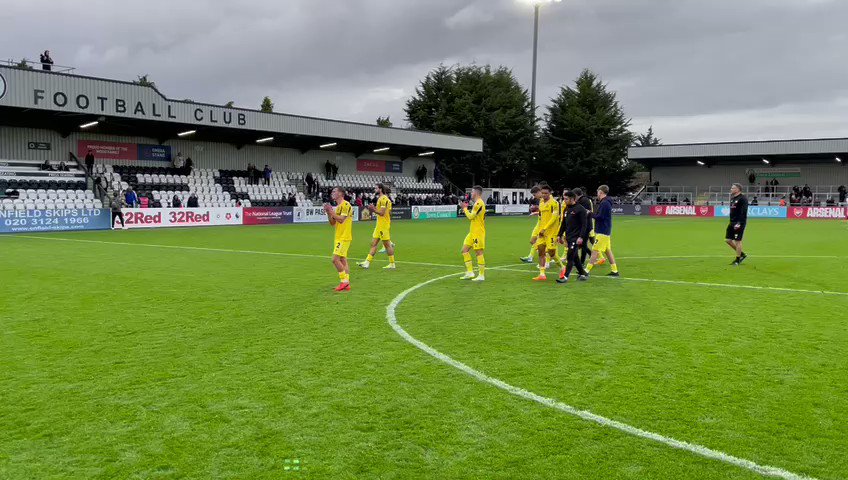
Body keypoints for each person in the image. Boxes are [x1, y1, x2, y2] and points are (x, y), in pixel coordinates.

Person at [358, 184, 397, 270]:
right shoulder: (383, 199)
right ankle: (367, 262)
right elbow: (388, 212)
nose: (374, 189)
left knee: (387, 245)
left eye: (376, 188)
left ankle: (392, 263)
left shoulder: (383, 199)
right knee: (373, 244)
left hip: (383, 226)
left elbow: (382, 213)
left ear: (380, 189)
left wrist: (373, 209)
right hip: (380, 225)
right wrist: (376, 209)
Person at [585, 185, 620, 277]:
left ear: (600, 192)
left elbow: (600, 217)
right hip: (605, 230)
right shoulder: (606, 202)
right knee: (608, 251)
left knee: (595, 250)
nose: (597, 193)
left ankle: (586, 270)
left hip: (602, 231)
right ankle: (615, 270)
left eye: (597, 191)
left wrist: (590, 214)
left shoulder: (604, 203)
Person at [556, 191, 590, 283]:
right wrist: (559, 235)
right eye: (564, 198)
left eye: (566, 199)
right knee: (575, 257)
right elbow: (563, 223)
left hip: (576, 238)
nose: (564, 200)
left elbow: (584, 225)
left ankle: (565, 277)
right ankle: (583, 274)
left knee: (570, 256)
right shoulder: (566, 209)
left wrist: (581, 237)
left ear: (572, 199)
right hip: (568, 237)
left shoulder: (580, 209)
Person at [324, 187, 354, 292]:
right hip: (338, 236)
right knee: (342, 260)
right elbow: (333, 223)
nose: (332, 193)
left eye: (334, 191)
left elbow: (341, 220)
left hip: (344, 237)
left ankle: (344, 282)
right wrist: (329, 213)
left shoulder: (346, 205)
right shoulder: (337, 207)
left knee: (335, 259)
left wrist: (331, 211)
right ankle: (347, 283)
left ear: (341, 193)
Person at [532, 184, 564, 281]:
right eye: (542, 193)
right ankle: (542, 274)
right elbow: (541, 218)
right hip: (542, 232)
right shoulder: (541, 202)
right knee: (541, 252)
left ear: (550, 193)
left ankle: (562, 268)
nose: (544, 195)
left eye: (546, 193)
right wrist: (538, 231)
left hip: (551, 232)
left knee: (551, 252)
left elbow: (554, 218)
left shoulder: (555, 203)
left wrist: (544, 228)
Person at [460, 185, 487, 281]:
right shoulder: (477, 203)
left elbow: (471, 217)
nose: (471, 194)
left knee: (478, 252)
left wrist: (464, 209)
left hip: (478, 232)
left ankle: (481, 275)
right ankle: (470, 272)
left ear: (476, 193)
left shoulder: (479, 203)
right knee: (464, 250)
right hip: (472, 232)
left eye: (472, 192)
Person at [726, 183, 749, 266]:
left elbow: (744, 212)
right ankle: (742, 254)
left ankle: (737, 259)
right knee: (728, 240)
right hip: (732, 222)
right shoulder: (732, 198)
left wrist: (739, 223)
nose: (731, 189)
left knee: (737, 241)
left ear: (738, 189)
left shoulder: (743, 199)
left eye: (732, 188)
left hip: (739, 223)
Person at [520, 186, 543, 263]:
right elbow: (542, 212)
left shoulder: (546, 200)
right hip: (539, 223)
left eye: (534, 194)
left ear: (539, 192)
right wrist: (535, 212)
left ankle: (546, 259)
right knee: (533, 240)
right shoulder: (541, 201)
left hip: (544, 225)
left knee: (544, 243)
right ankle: (531, 257)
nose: (534, 197)